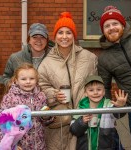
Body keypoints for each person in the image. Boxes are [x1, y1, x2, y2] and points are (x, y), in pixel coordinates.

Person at [38, 12, 98, 150]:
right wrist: (53, 95)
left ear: (74, 35)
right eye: (60, 32)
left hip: (84, 119)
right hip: (59, 125)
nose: (64, 37)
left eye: (68, 32)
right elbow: (40, 89)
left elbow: (95, 84)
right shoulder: (46, 62)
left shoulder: (89, 58)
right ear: (55, 36)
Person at [98, 5, 131, 150]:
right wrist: (112, 112)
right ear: (103, 31)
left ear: (123, 25)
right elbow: (104, 88)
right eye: (107, 26)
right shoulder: (104, 58)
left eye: (115, 23)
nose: (111, 28)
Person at [0, 63, 47, 150]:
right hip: (19, 145)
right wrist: (10, 145)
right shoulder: (10, 98)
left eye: (32, 78)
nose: (28, 82)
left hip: (39, 143)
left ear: (36, 80)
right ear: (16, 80)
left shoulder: (41, 96)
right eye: (23, 79)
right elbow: (1, 122)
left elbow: (44, 118)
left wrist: (47, 117)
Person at [70, 75, 127, 150]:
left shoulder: (108, 105)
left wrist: (120, 107)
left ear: (103, 92)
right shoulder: (81, 108)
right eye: (91, 90)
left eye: (99, 89)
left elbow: (118, 114)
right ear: (85, 93)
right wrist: (82, 121)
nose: (95, 92)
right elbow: (74, 130)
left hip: (106, 146)